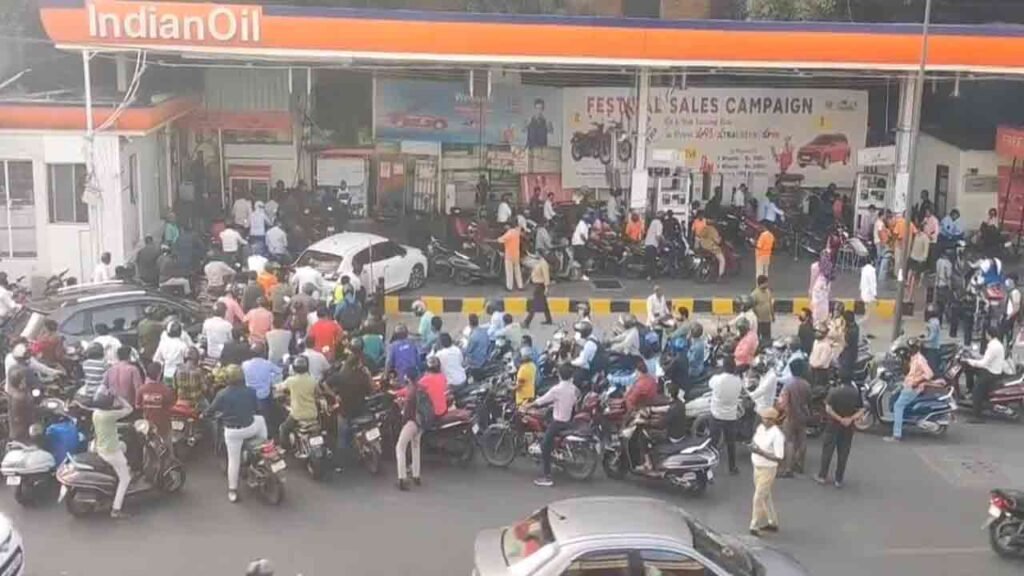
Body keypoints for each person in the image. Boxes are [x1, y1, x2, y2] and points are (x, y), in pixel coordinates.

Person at [203, 365, 267, 502]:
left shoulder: (222, 394)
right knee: (261, 420)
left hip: (233, 433)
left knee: (233, 461)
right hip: (250, 428)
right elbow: (258, 409)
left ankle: (232, 491)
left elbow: (210, 410)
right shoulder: (251, 391)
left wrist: (203, 415)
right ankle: (263, 448)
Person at [396, 355, 448, 491]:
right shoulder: (421, 387)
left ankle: (402, 478)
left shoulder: (411, 392)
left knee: (400, 447)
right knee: (415, 446)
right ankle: (416, 475)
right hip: (423, 422)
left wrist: (401, 409)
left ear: (407, 378)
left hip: (412, 422)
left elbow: (407, 413)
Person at [530, 363, 579, 487]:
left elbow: (541, 400)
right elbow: (574, 401)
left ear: (559, 375)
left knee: (544, 446)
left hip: (558, 423)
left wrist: (529, 405)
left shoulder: (557, 389)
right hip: (568, 421)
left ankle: (547, 477)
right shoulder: (573, 388)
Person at [91, 390, 134, 518]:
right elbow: (129, 409)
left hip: (100, 448)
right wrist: (119, 396)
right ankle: (116, 509)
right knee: (126, 479)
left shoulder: (96, 413)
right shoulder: (109, 415)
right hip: (111, 451)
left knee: (124, 446)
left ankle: (125, 468)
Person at [815, 377, 865, 488]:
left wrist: (839, 418)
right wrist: (850, 419)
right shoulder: (856, 393)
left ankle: (822, 476)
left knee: (828, 451)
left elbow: (828, 408)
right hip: (848, 428)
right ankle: (839, 479)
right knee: (843, 452)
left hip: (833, 425)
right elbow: (861, 410)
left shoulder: (834, 391)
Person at [885, 338, 938, 441]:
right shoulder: (913, 358)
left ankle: (897, 435)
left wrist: (917, 382)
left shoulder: (920, 360)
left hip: (912, 388)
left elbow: (929, 373)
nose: (910, 350)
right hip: (907, 384)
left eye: (911, 348)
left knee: (898, 406)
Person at [748, 407, 785, 537]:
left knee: (758, 497)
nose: (765, 421)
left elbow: (779, 457)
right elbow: (755, 441)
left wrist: (761, 453)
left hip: (768, 469)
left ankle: (754, 525)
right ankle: (772, 522)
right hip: (756, 466)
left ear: (774, 420)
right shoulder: (760, 429)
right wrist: (753, 447)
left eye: (768, 419)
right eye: (764, 418)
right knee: (765, 496)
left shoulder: (777, 435)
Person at [276, 356, 326, 448]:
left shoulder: (291, 381)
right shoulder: (312, 380)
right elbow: (319, 393)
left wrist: (274, 386)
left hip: (297, 415)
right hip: (313, 414)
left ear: (294, 368)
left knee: (283, 428)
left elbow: (280, 387)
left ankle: (287, 449)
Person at [964, 326, 1007, 424]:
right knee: (971, 372)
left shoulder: (993, 346)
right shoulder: (997, 344)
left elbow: (983, 363)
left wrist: (969, 361)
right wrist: (975, 357)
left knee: (976, 392)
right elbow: (986, 358)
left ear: (988, 334)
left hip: (990, 373)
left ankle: (977, 416)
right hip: (993, 370)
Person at [776, 358, 811, 478]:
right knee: (802, 439)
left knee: (789, 441)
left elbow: (783, 403)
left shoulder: (789, 385)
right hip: (803, 415)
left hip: (791, 415)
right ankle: (800, 464)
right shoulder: (806, 385)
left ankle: (788, 468)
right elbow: (808, 400)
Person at [710, 356, 744, 475]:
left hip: (717, 415)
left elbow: (710, 385)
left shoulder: (717, 379)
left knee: (713, 443)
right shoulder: (738, 380)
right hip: (730, 416)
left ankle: (708, 468)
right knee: (731, 443)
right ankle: (732, 467)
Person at [243, 343, 283, 432]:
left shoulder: (245, 365)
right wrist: (271, 378)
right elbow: (280, 372)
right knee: (266, 419)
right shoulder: (267, 364)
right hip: (264, 396)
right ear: (263, 353)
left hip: (250, 397)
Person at [6, 345, 40, 443]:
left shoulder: (12, 368)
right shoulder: (24, 396)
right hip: (23, 432)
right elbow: (31, 413)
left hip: (14, 426)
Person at [137, 362, 175, 449]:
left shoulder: (142, 389)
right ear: (159, 375)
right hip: (164, 424)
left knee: (147, 447)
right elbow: (171, 405)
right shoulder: (165, 390)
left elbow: (138, 405)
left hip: (148, 424)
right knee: (168, 444)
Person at [524, 257, 551, 329]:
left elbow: (546, 276)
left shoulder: (543, 263)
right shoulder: (538, 262)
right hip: (537, 285)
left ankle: (527, 322)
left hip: (540, 286)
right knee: (545, 304)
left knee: (535, 304)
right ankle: (549, 320)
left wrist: (547, 287)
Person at [497, 224, 523, 291]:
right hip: (516, 255)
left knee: (509, 272)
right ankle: (520, 286)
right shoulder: (517, 232)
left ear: (508, 226)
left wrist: (498, 239)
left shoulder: (509, 233)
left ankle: (509, 287)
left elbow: (500, 240)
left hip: (509, 256)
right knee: (517, 271)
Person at [751, 275, 775, 342]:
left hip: (767, 320)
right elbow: (752, 307)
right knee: (757, 338)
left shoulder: (768, 292)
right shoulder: (754, 294)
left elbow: (770, 304)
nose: (767, 284)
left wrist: (773, 316)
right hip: (759, 321)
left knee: (767, 338)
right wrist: (757, 317)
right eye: (766, 283)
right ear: (762, 283)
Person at [643, 213, 663, 281]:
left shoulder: (653, 222)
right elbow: (658, 236)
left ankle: (650, 275)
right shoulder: (659, 224)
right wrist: (660, 244)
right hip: (653, 244)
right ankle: (650, 276)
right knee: (652, 261)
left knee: (650, 260)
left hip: (648, 243)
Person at [570, 215, 590, 280]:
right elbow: (582, 235)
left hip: (579, 243)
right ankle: (583, 275)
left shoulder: (585, 224)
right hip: (578, 243)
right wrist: (587, 242)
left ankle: (580, 274)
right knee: (583, 260)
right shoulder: (582, 224)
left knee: (581, 259)